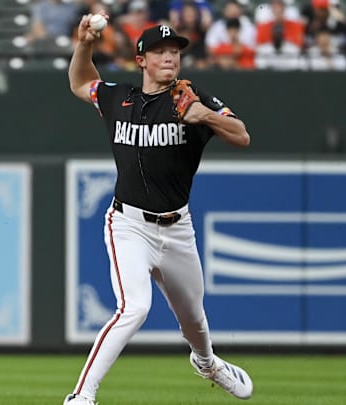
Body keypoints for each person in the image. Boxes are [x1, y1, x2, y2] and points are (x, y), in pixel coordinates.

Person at [63, 21, 253, 405]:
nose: (169, 56)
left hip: (177, 228)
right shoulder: (119, 99)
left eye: (175, 51)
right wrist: (84, 45)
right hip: (129, 225)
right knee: (135, 308)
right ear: (141, 60)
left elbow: (242, 134)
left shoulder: (191, 97)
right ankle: (82, 396)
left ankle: (207, 363)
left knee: (195, 321)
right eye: (159, 51)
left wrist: (206, 117)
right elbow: (81, 84)